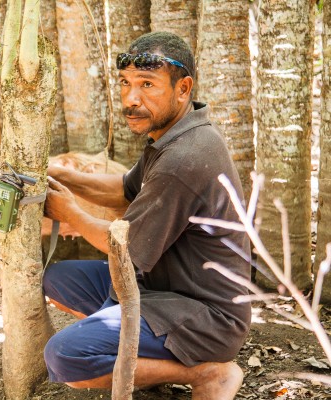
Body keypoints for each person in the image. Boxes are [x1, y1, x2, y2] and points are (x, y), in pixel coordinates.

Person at [43, 31, 251, 400]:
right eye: (125, 83)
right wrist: (65, 177)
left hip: (207, 318)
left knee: (66, 357)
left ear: (183, 88)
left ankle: (205, 374)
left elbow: (126, 248)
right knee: (55, 279)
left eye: (147, 85)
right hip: (161, 289)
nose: (131, 99)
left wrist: (70, 213)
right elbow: (125, 191)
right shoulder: (175, 134)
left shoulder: (183, 158)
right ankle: (133, 352)